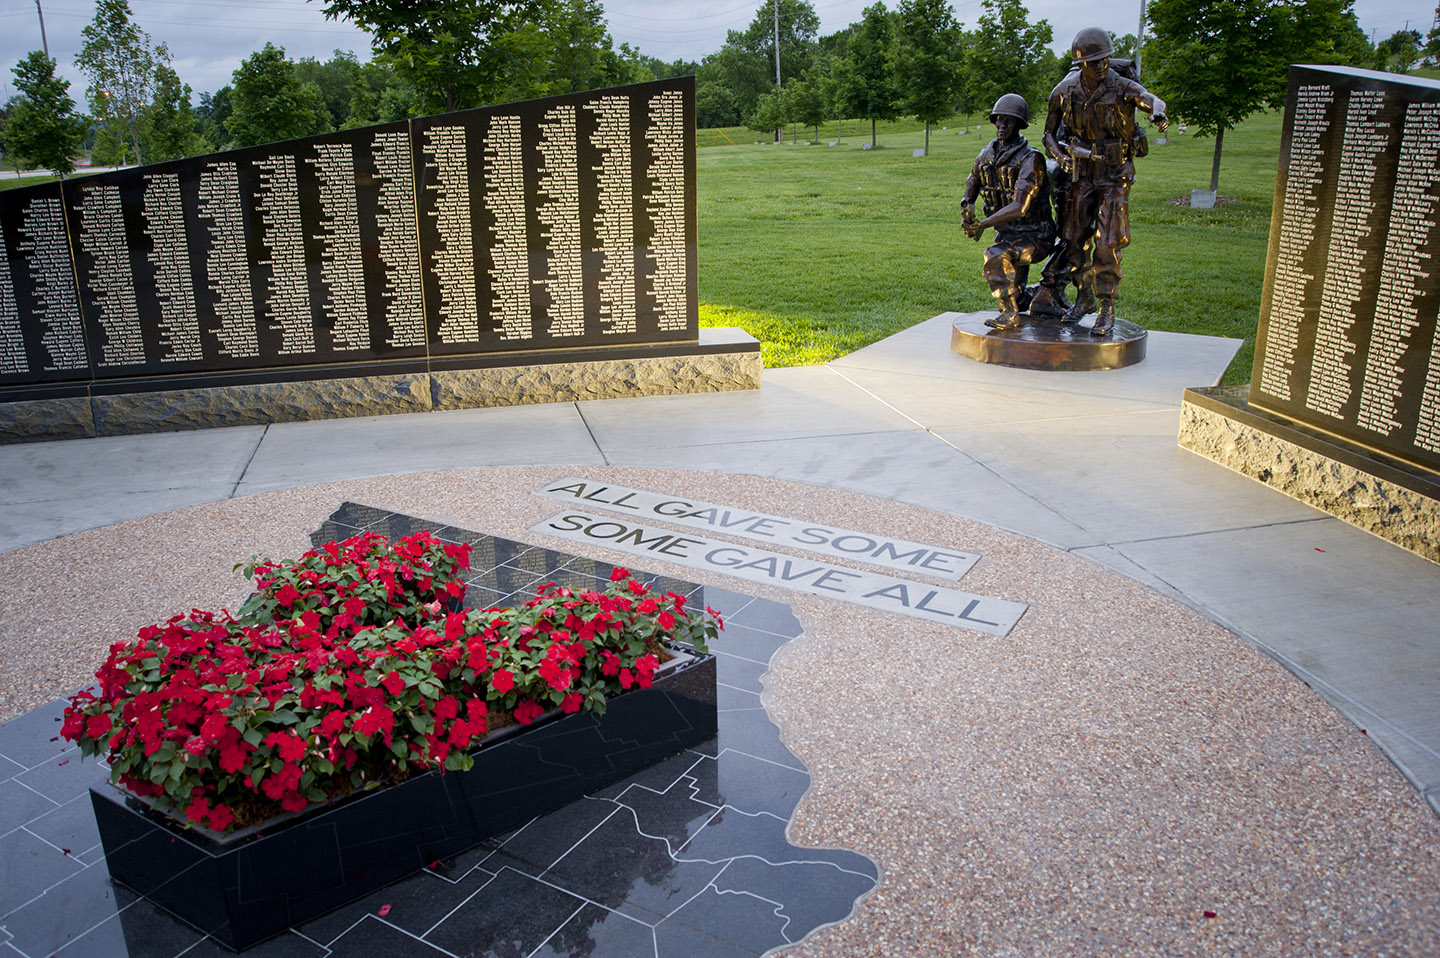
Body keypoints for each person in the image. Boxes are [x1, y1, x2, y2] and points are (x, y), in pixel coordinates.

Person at [1042, 27, 1168, 335]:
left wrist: (1157, 114)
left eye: (1105, 60)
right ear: (1081, 63)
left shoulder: (1122, 86)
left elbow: (1150, 99)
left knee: (1108, 243)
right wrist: (1061, 157)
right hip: (1081, 175)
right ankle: (1083, 297)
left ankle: (1106, 306)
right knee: (1072, 238)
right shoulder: (1064, 90)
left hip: (1113, 175)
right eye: (1095, 61)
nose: (1102, 66)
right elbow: (1048, 134)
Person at [961, 93, 1060, 330]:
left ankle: (1009, 312)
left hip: (1035, 234)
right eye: (998, 120)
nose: (1002, 125)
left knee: (995, 256)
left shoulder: (1031, 158)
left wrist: (982, 224)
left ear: (1019, 124)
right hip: (1006, 234)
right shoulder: (986, 154)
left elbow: (1020, 206)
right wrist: (967, 207)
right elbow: (972, 182)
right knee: (1015, 288)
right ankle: (1038, 298)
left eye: (1009, 120)